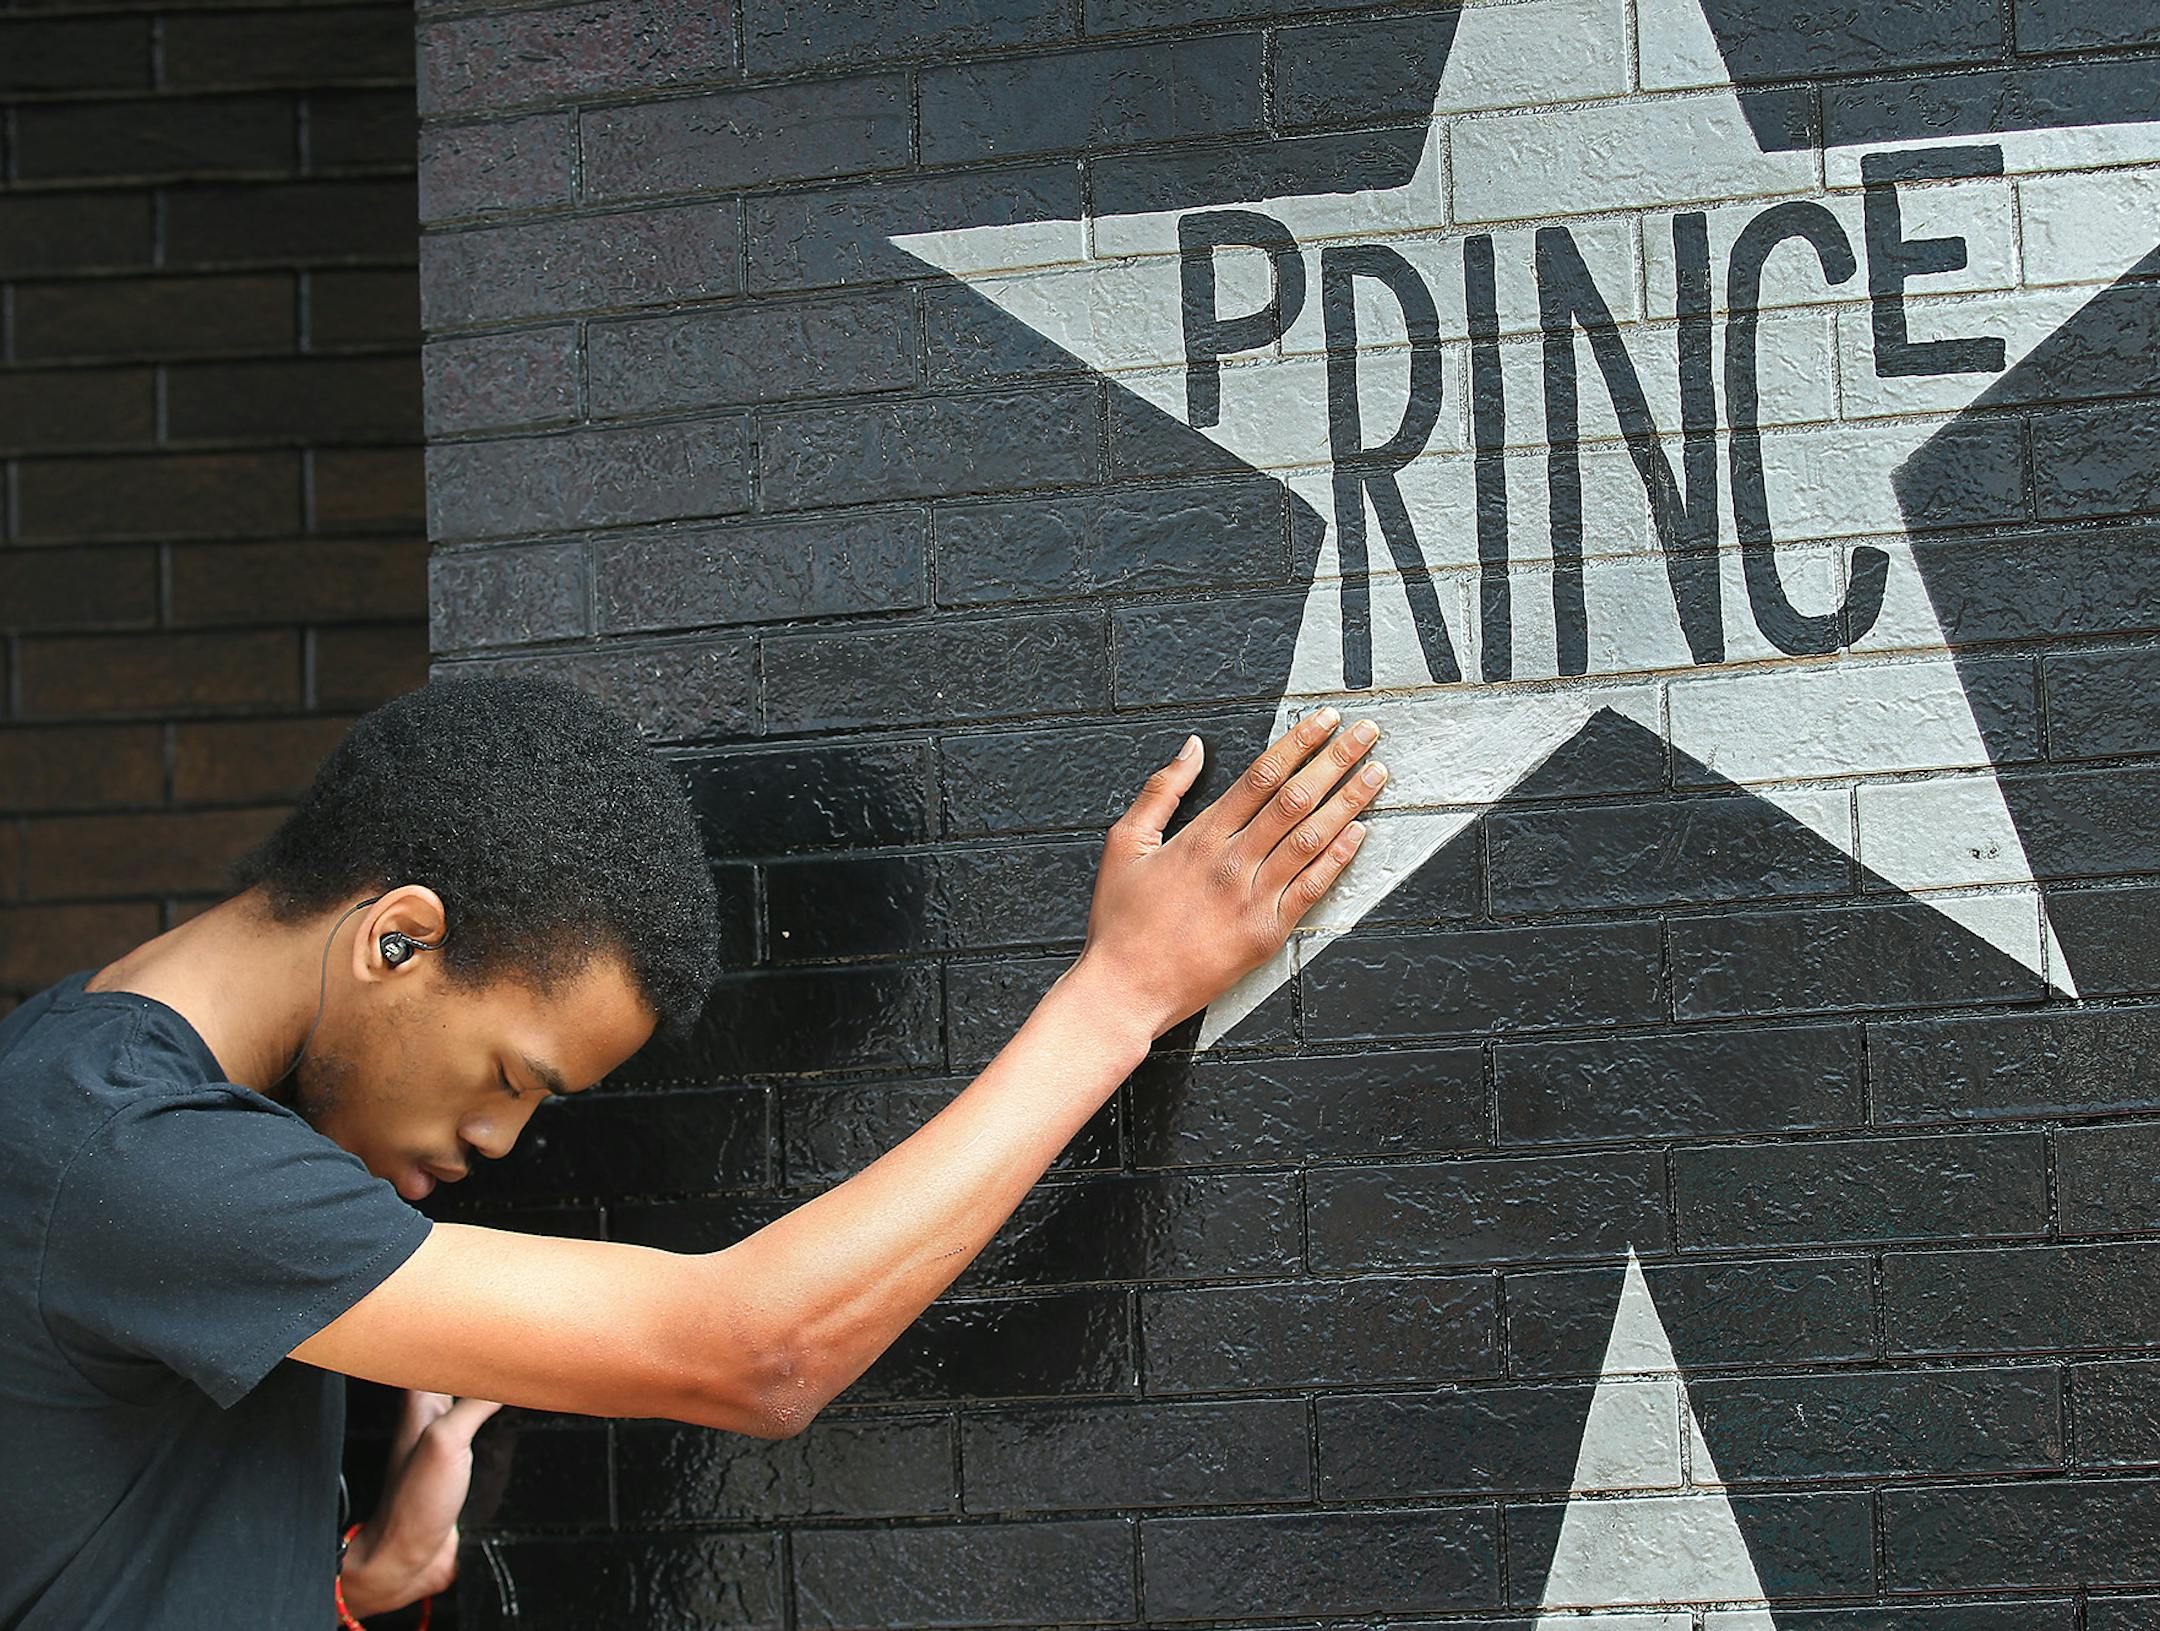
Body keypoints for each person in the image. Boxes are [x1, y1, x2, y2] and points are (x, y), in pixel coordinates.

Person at [0, 672, 1387, 1628]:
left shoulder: (104, 1098)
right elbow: (756, 1353)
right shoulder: (137, 1158)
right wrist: (1124, 994)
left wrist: (364, 1583)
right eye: (509, 1076)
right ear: (396, 938)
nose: (496, 1139)